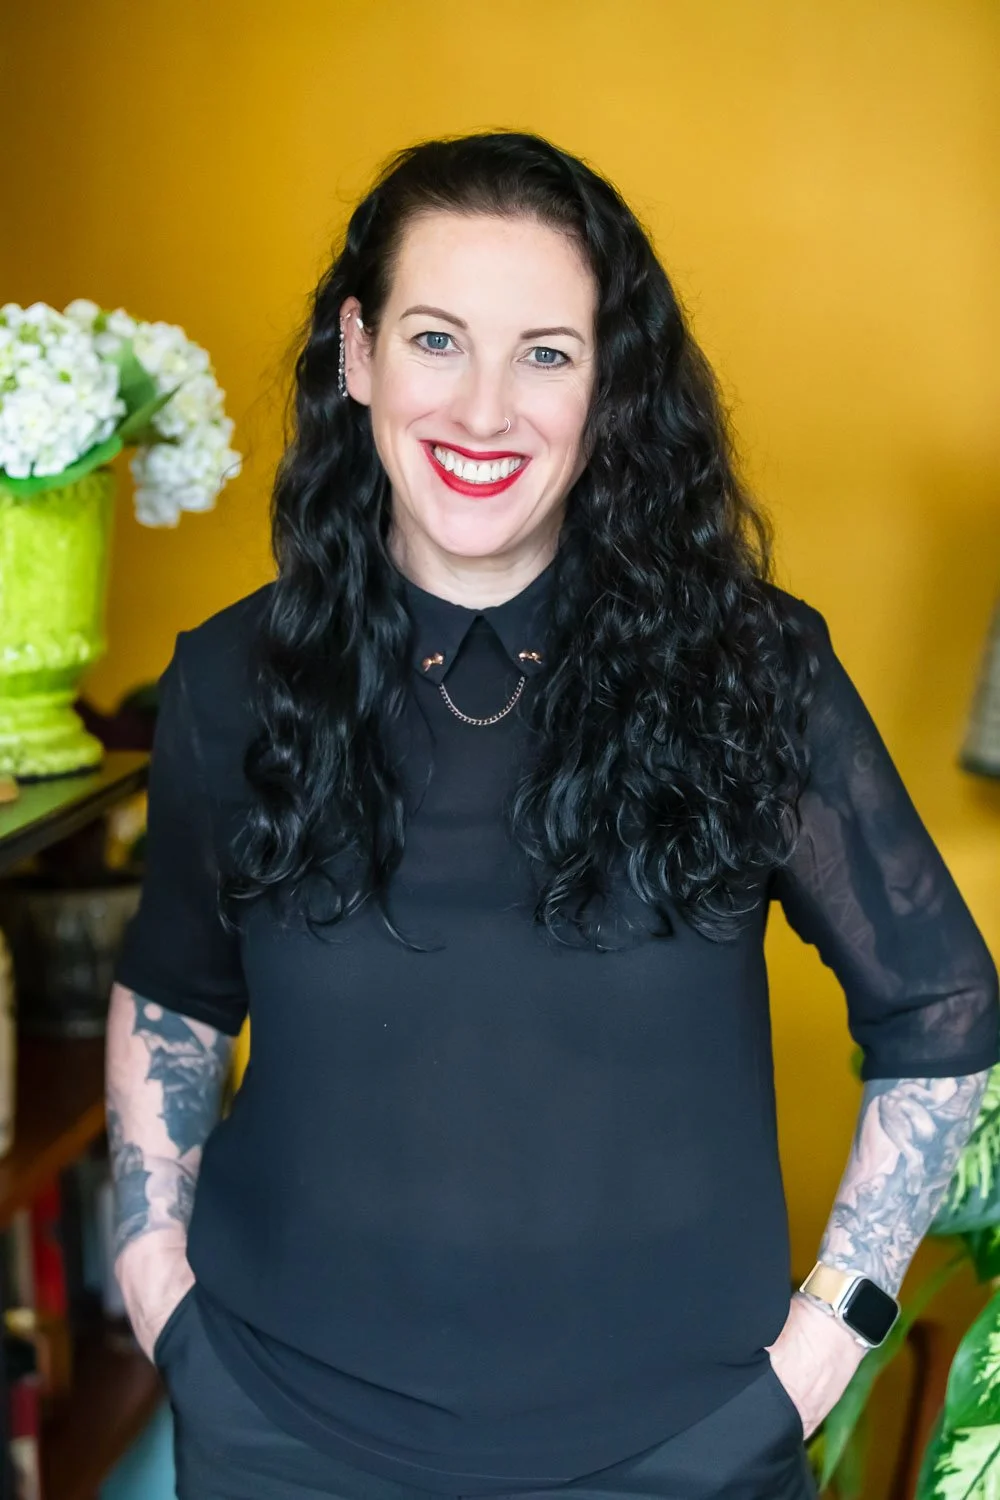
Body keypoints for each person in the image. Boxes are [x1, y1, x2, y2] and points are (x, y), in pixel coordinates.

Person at [106, 131, 999, 1500]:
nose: (481, 412)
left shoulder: (754, 669)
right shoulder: (234, 679)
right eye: (435, 338)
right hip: (282, 1433)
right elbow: (173, 994)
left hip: (680, 1456)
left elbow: (939, 1008)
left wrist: (827, 1342)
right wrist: (152, 1273)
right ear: (358, 355)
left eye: (545, 353)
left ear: (610, 388)